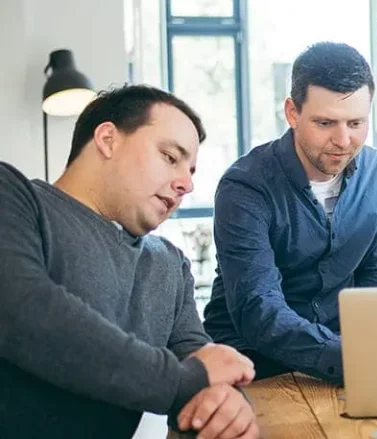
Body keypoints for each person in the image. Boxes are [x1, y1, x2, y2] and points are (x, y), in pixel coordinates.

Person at [0, 85, 259, 438]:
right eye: (170, 157)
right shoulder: (13, 197)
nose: (186, 184)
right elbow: (20, 308)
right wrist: (185, 380)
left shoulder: (169, 264)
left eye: (192, 170)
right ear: (108, 139)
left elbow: (202, 367)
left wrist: (226, 404)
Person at [203, 42, 377, 385]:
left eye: (356, 123)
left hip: (341, 358)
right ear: (292, 113)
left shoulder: (376, 170)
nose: (344, 140)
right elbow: (258, 307)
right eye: (325, 123)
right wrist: (346, 356)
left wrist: (368, 348)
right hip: (249, 364)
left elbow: (373, 272)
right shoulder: (245, 187)